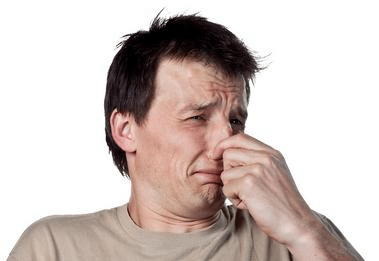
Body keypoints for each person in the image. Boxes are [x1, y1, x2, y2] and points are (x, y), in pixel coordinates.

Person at [8, 14, 364, 261]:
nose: (227, 142)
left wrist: (303, 227)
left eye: (236, 121)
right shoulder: (52, 247)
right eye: (197, 117)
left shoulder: (296, 236)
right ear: (126, 130)